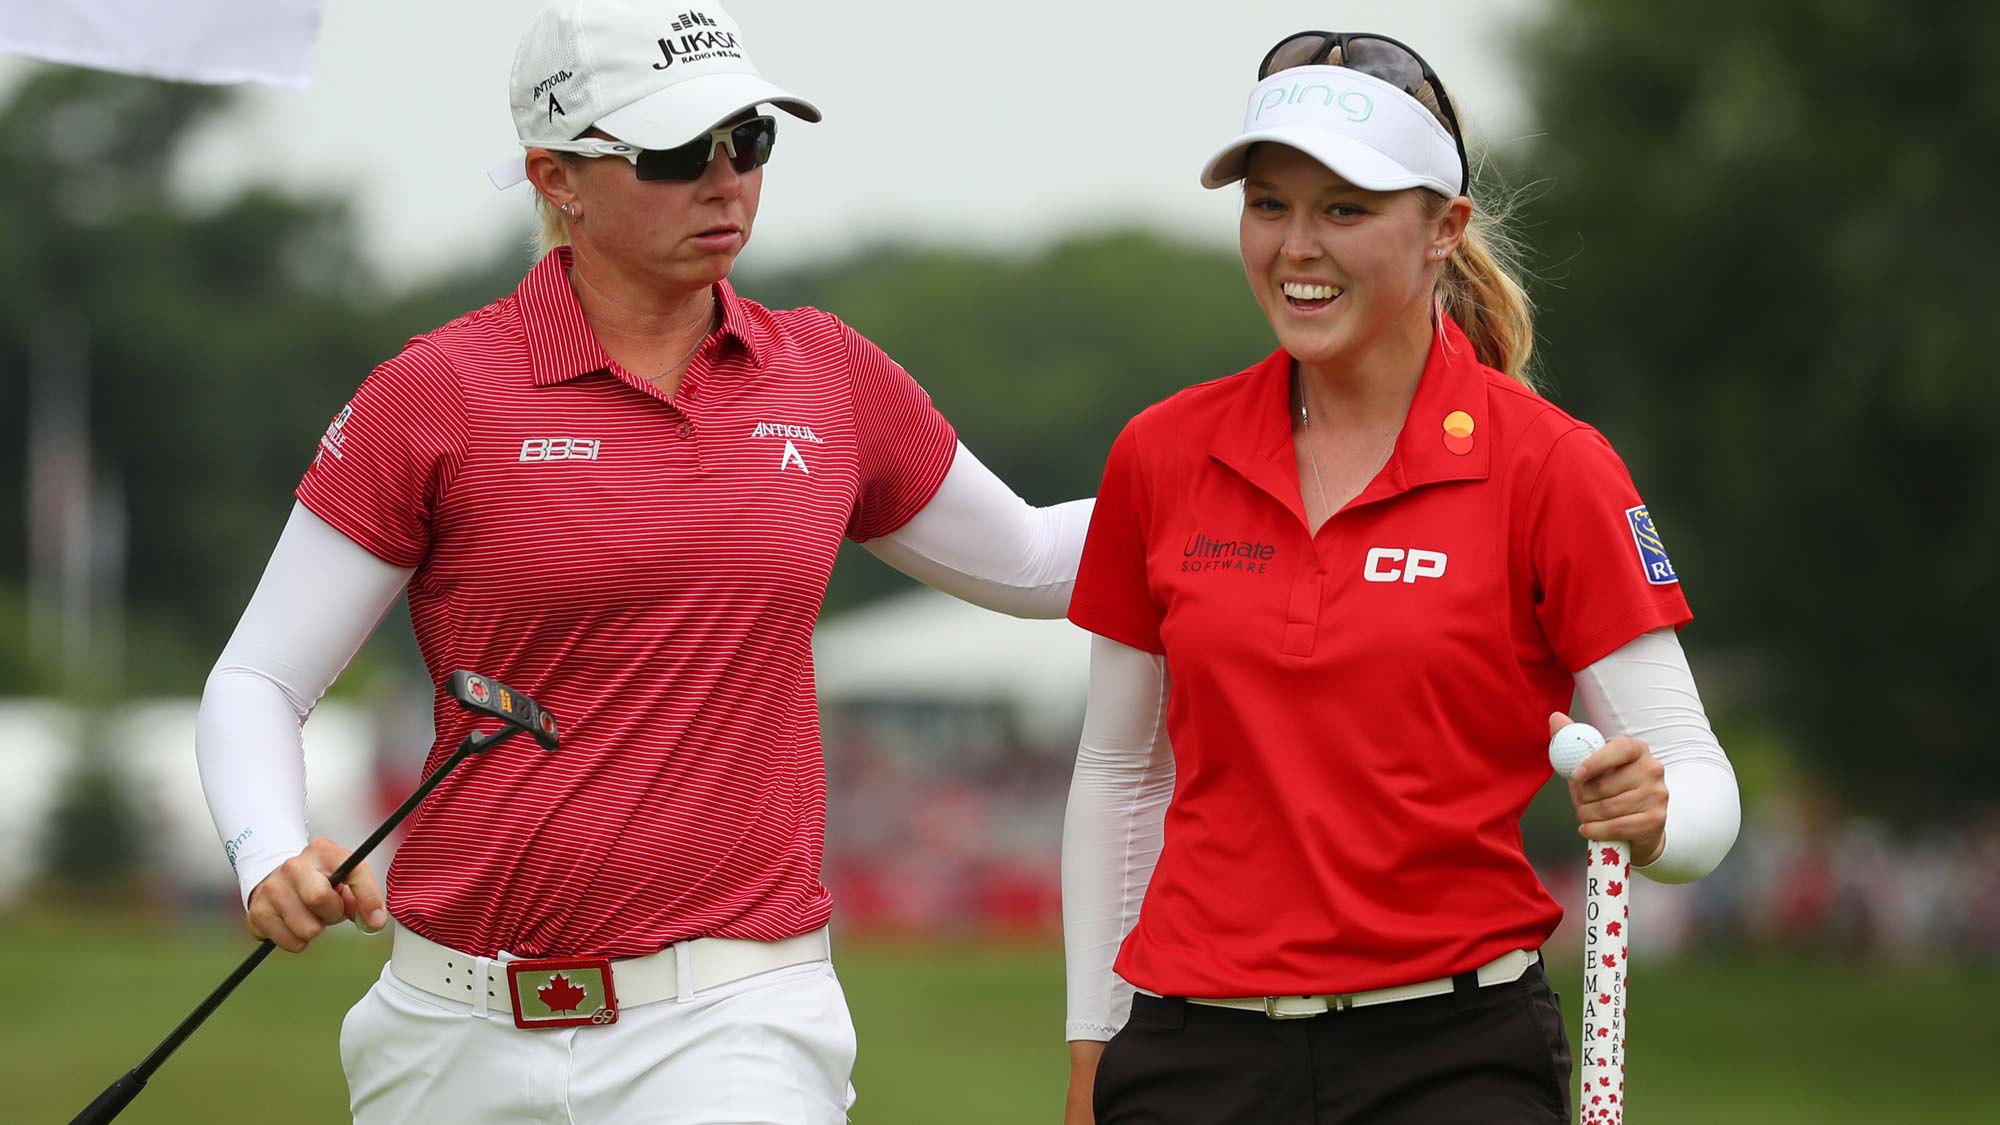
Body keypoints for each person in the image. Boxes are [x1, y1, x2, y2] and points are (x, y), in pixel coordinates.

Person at [194, 2, 1090, 1122]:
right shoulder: (437, 392)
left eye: (749, 140)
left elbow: (1035, 560)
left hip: (730, 1021)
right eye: (675, 153)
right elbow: (259, 683)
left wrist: (1265, 472)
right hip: (446, 1025)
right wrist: (267, 851)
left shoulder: (826, 373)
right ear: (556, 178)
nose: (725, 182)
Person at [1059, 30, 1741, 1125]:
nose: (1294, 247)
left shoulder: (1549, 466)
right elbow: (1117, 774)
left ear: (1442, 232)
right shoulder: (1161, 452)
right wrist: (1091, 1050)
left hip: (1450, 1057)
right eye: (1268, 204)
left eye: (1343, 209)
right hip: (1190, 1054)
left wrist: (1655, 819)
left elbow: (1699, 788)